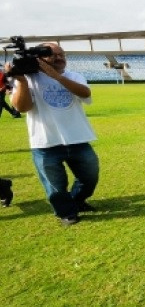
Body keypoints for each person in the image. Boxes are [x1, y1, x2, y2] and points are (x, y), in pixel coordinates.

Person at [10, 43, 99, 225]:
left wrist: (56, 77)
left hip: (78, 139)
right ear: (39, 59)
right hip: (45, 143)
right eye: (52, 55)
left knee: (90, 177)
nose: (59, 58)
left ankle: (76, 201)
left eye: (62, 54)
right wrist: (22, 82)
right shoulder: (28, 79)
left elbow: (85, 93)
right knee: (55, 186)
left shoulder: (73, 76)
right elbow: (22, 107)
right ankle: (66, 213)